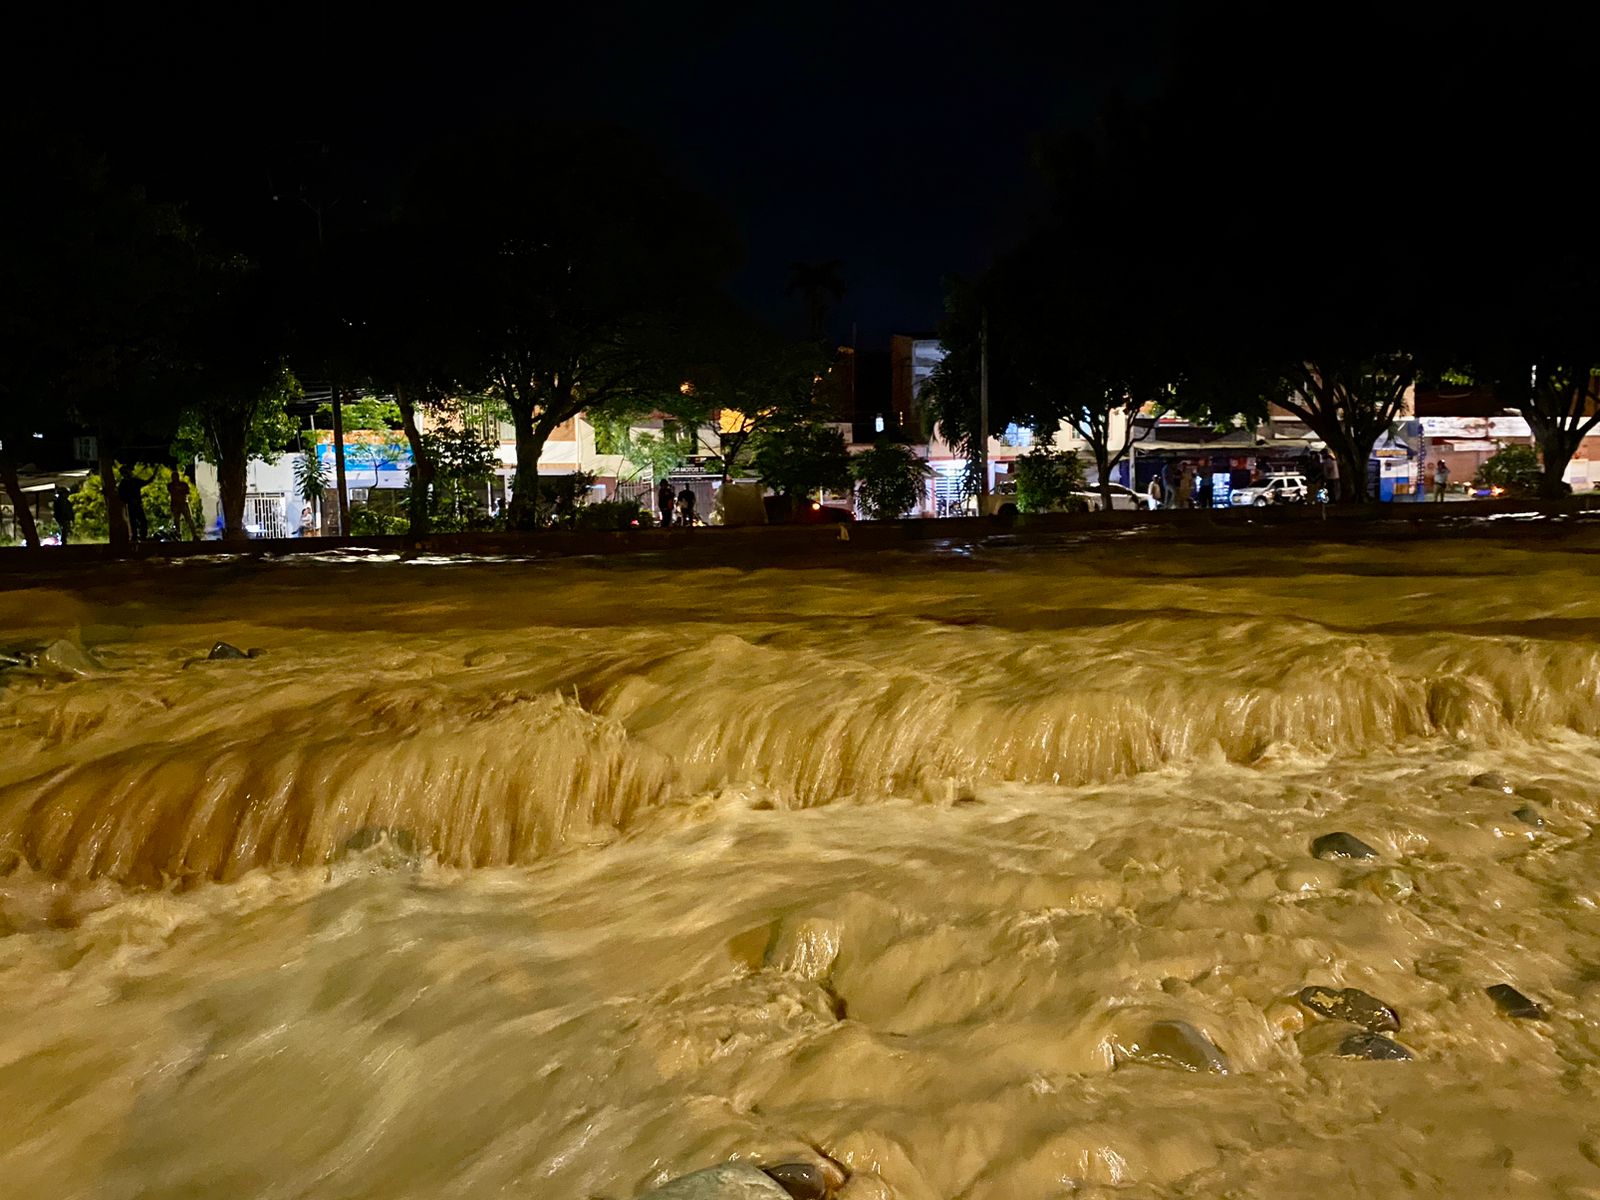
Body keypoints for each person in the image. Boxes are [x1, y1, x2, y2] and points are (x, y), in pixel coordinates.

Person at [117, 466, 148, 543]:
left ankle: (142, 536)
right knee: (133, 522)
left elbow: (146, 482)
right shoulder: (123, 483)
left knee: (142, 521)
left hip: (137, 504)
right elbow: (121, 496)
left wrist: (154, 474)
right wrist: (128, 500)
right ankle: (135, 537)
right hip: (130, 505)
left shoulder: (135, 481)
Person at [168, 472, 198, 540]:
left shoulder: (183, 484)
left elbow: (187, 491)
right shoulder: (171, 485)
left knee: (189, 520)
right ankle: (178, 536)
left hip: (183, 504)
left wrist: (180, 490)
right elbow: (172, 491)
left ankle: (194, 535)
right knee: (176, 521)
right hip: (175, 505)